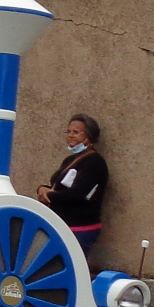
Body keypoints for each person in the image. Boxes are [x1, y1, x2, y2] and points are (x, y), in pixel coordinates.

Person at [36, 113, 109, 264]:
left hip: (80, 228)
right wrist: (42, 189)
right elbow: (59, 187)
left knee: (70, 267)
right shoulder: (70, 160)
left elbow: (78, 194)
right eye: (68, 132)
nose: (70, 136)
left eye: (76, 132)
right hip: (62, 225)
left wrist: (50, 195)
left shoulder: (94, 162)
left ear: (88, 136)